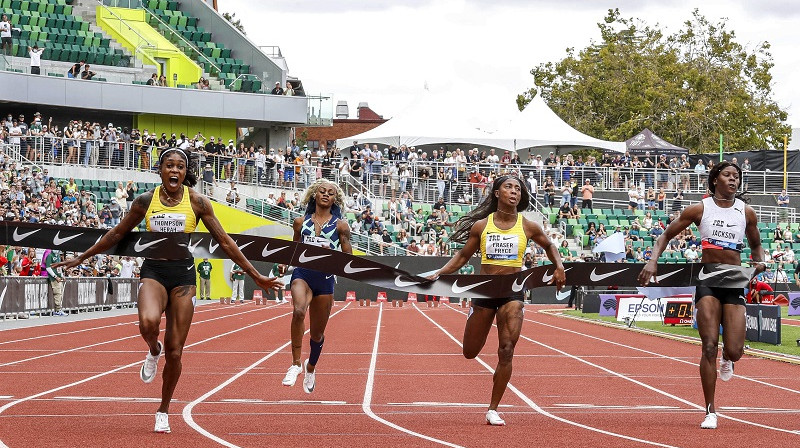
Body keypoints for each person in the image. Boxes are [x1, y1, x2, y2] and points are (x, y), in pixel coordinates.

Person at [54, 147, 283, 433]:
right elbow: (116, 234)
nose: (175, 171)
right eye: (169, 166)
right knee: (148, 323)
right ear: (160, 169)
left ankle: (163, 409)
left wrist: (255, 274)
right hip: (154, 270)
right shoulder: (144, 201)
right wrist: (83, 257)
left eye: (180, 167)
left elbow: (224, 241)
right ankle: (153, 349)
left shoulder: (198, 202)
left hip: (184, 276)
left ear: (186, 173)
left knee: (175, 353)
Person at [428, 175, 566, 426]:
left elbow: (550, 246)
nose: (514, 192)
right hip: (484, 292)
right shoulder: (482, 226)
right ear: (496, 193)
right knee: (470, 352)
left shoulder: (528, 226)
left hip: (512, 292)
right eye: (508, 187)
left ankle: (493, 408)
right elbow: (462, 256)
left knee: (506, 350)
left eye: (518, 188)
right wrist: (440, 272)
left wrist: (559, 266)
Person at [638, 161, 764, 430]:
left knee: (735, 350)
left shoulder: (747, 212)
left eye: (737, 177)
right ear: (715, 178)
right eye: (728, 175)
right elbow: (665, 236)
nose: (734, 180)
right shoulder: (699, 208)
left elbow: (756, 245)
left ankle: (728, 358)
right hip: (707, 281)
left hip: (734, 282)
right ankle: (710, 411)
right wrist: (652, 261)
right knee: (708, 345)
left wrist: (759, 262)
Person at [280, 179, 352, 394]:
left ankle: (310, 367)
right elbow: (294, 248)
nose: (326, 195)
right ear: (314, 195)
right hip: (303, 274)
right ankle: (294, 364)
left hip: (326, 279)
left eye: (330, 193)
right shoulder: (300, 222)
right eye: (322, 191)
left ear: (334, 199)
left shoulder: (340, 225)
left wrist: (333, 255)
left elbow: (348, 256)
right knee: (298, 311)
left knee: (317, 335)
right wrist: (285, 262)